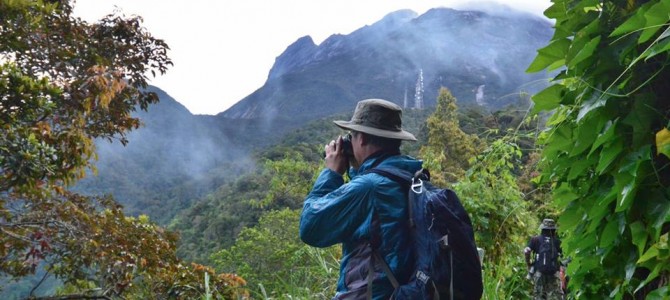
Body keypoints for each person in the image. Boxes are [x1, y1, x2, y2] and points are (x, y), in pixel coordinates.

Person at [299, 98, 421, 299]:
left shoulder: (369, 188)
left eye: (351, 136)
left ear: (362, 138)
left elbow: (311, 227)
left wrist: (332, 174)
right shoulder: (409, 175)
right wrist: (358, 168)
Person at [524, 219, 564, 300]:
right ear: (554, 229)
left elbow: (526, 251)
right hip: (554, 273)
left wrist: (528, 263)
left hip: (539, 272)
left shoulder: (535, 239)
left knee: (539, 296)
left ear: (542, 228)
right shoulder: (558, 241)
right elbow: (563, 258)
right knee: (554, 297)